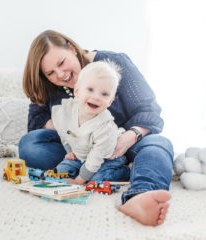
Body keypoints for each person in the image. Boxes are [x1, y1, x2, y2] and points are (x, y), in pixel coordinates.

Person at [19, 30, 174, 226]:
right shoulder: (49, 85)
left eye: (61, 63)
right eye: (50, 73)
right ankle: (120, 171)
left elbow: (150, 110)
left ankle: (139, 197)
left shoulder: (113, 64)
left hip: (124, 142)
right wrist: (73, 135)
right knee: (30, 144)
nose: (60, 75)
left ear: (72, 48)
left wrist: (129, 137)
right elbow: (36, 121)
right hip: (82, 150)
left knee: (159, 145)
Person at [52, 60, 129, 185]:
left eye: (104, 94)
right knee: (58, 173)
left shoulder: (105, 127)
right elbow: (64, 131)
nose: (96, 97)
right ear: (77, 91)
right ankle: (80, 170)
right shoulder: (67, 111)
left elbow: (96, 158)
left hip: (105, 159)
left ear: (110, 101)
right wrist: (69, 150)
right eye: (90, 89)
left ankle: (127, 170)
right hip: (80, 155)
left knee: (96, 181)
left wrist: (79, 180)